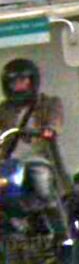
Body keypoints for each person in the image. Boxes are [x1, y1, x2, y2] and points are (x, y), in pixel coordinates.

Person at [0, 58, 66, 218]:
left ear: (32, 81)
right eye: (14, 82)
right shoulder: (4, 109)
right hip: (9, 160)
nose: (18, 86)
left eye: (23, 81)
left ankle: (59, 227)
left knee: (42, 185)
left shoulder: (49, 103)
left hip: (37, 157)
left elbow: (55, 121)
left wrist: (49, 129)